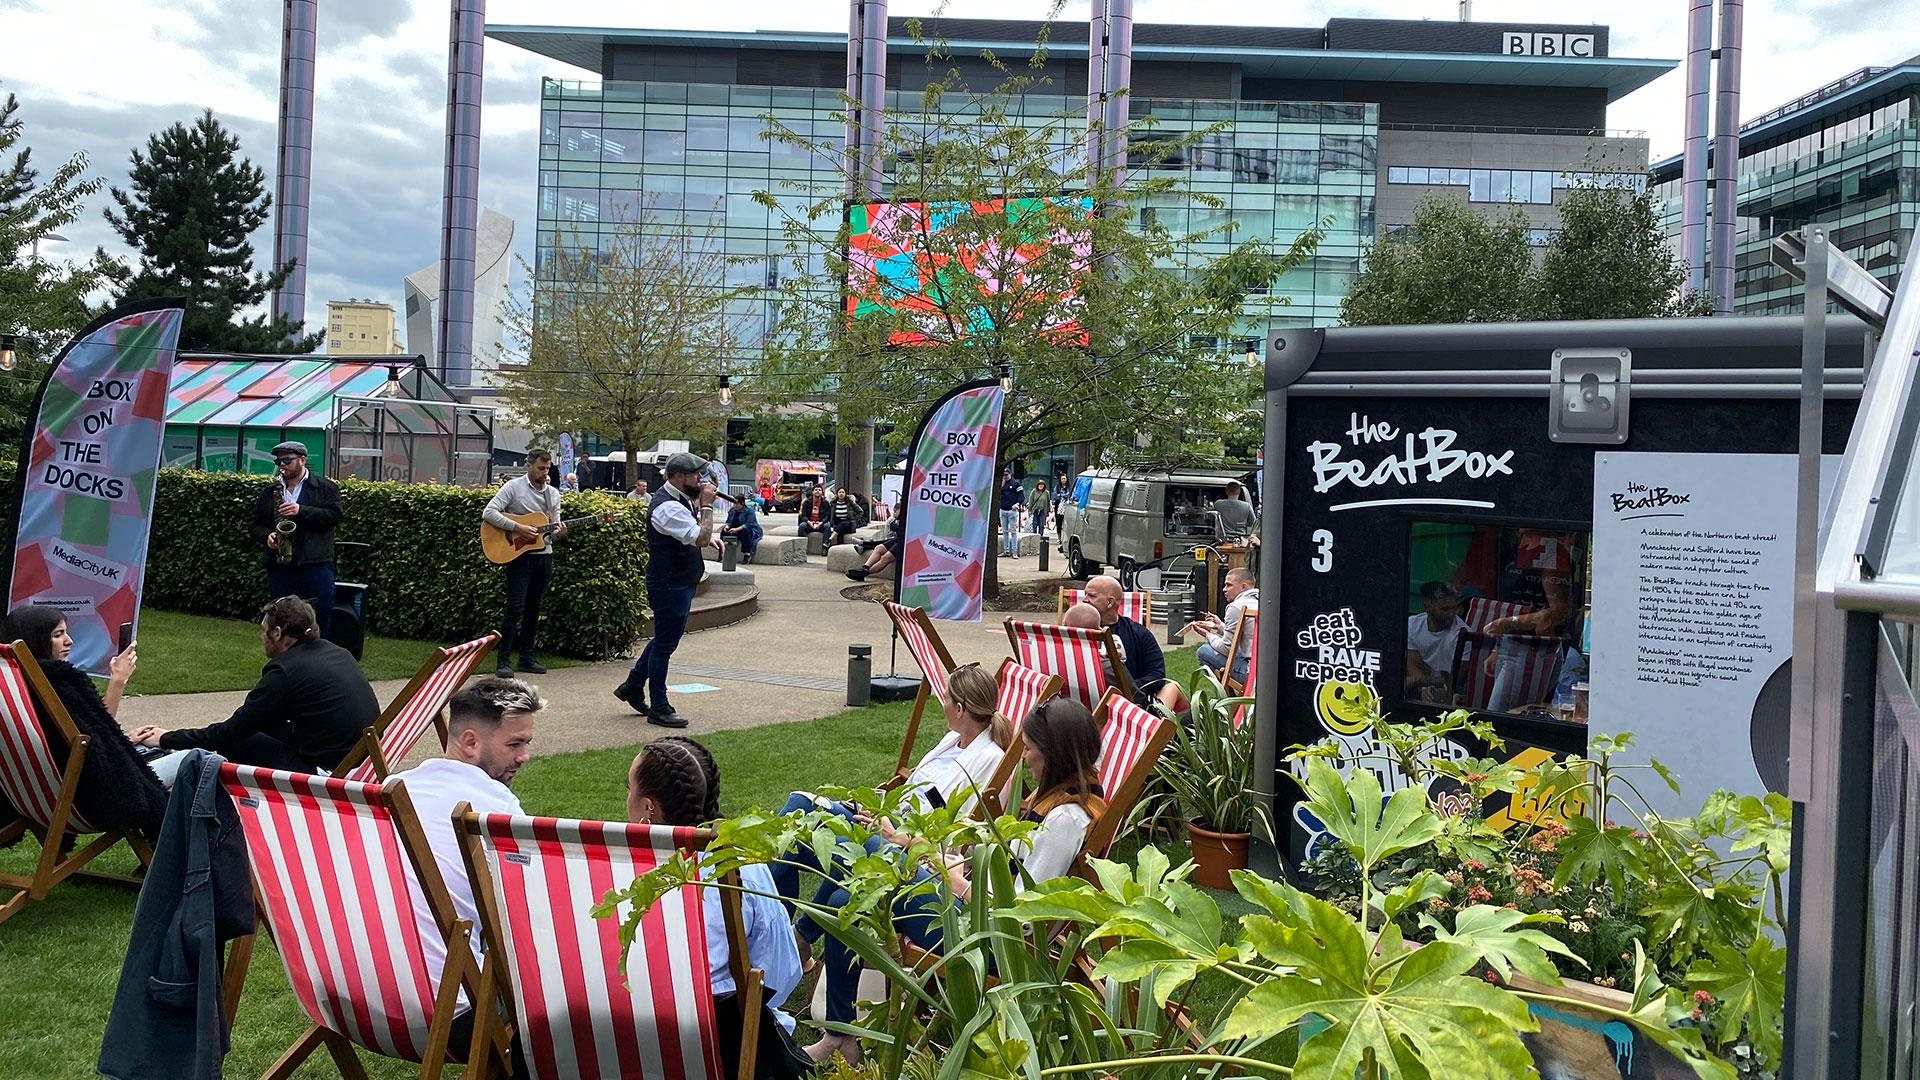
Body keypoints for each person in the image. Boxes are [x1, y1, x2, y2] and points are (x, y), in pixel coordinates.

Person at [803, 697, 1105, 1065]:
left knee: (857, 881)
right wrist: (953, 864)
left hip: (986, 940)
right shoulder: (1066, 799)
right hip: (973, 911)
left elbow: (1024, 919)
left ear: (1053, 753)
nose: (1024, 758)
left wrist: (956, 883)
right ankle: (840, 1034)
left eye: (1029, 749)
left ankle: (831, 1017)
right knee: (848, 895)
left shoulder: (1064, 820)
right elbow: (1011, 872)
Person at [770, 662, 1012, 934]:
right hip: (889, 822)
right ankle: (784, 935)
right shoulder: (952, 740)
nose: (941, 703)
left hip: (908, 847)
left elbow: (959, 839)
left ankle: (762, 918)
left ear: (959, 709)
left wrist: (895, 832)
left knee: (795, 838)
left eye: (945, 697)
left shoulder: (990, 761)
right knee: (798, 806)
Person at [625, 737, 808, 1055]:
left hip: (628, 1039)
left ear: (648, 806)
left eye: (627, 788)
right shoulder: (741, 867)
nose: (626, 796)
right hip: (727, 1046)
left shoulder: (616, 872)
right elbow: (783, 970)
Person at [387, 676, 543, 1024]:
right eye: (515, 744)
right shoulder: (494, 810)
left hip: (352, 994)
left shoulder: (392, 789)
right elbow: (531, 917)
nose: (525, 756)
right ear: (470, 742)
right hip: (445, 1012)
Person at [129, 597, 379, 775]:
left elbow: (229, 733)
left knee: (235, 742)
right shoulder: (337, 653)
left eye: (263, 630)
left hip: (330, 775)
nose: (261, 637)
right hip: (365, 765)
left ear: (278, 633)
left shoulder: (285, 671)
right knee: (256, 728)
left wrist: (166, 738)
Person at [0, 606, 168, 841]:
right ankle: (173, 855)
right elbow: (88, 749)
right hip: (91, 797)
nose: (69, 641)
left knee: (151, 750)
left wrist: (122, 738)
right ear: (34, 639)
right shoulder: (56, 683)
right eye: (58, 635)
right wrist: (118, 683)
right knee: (197, 762)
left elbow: (80, 737)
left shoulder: (12, 687)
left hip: (36, 799)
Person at [614, 452, 716, 728]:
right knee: (664, 645)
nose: (701, 479)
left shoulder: (678, 499)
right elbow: (700, 538)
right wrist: (707, 506)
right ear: (679, 477)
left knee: (664, 639)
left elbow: (696, 534)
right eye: (696, 475)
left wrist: (706, 526)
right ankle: (659, 705)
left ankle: (633, 685)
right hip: (669, 582)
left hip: (677, 579)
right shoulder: (666, 507)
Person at [482, 449, 567, 678]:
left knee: (534, 608)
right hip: (518, 556)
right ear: (528, 465)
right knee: (515, 608)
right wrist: (517, 527)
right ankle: (503, 660)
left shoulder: (553, 494)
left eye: (547, 469)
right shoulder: (513, 487)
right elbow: (489, 512)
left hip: (544, 555)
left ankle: (527, 658)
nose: (544, 473)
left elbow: (553, 526)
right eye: (541, 468)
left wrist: (559, 532)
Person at [253, 440, 342, 641]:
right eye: (278, 461)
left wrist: (301, 510)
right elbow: (256, 525)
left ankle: (319, 657)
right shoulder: (270, 491)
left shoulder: (325, 488)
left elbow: (335, 516)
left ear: (302, 460)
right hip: (280, 565)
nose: (281, 465)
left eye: (286, 460)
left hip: (315, 562)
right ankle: (284, 656)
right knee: (280, 615)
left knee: (321, 612)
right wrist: (267, 535)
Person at [1083, 576, 1165, 694]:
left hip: (1127, 703)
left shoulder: (1139, 633)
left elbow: (1158, 675)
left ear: (1110, 602)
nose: (1084, 600)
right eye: (1085, 594)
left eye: (1091, 596)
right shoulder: (1074, 633)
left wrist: (1128, 689)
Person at [1194, 568, 1260, 685]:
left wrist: (1207, 635)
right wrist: (1220, 626)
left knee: (1203, 651)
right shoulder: (1261, 602)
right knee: (1238, 649)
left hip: (1250, 673)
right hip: (1267, 668)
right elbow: (1241, 635)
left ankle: (1226, 698)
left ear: (1243, 587)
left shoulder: (1235, 607)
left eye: (1228, 585)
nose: (1224, 589)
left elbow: (1227, 648)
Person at [1405, 581, 1467, 702]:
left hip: (1451, 689)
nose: (1451, 614)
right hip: (1421, 684)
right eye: (1445, 609)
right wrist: (1424, 686)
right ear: (1427, 607)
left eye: (1454, 608)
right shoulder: (1412, 625)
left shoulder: (1463, 634)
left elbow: (1459, 678)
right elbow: (1413, 665)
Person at [844, 513, 902, 582]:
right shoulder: (904, 512)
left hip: (906, 542)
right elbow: (892, 525)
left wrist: (898, 526)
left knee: (885, 558)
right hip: (898, 539)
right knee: (878, 548)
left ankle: (863, 573)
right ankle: (865, 567)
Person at [723, 492, 763, 560]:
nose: (735, 506)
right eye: (734, 503)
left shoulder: (749, 511)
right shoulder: (732, 510)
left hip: (749, 530)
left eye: (737, 504)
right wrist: (727, 526)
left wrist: (737, 529)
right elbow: (729, 521)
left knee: (745, 532)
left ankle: (747, 553)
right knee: (723, 532)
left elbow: (749, 524)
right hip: (735, 529)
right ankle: (723, 551)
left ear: (742, 503)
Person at [998, 470, 1022, 557]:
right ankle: (1006, 550)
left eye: (1006, 475)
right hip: (1003, 509)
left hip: (1012, 510)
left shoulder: (1016, 484)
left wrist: (1017, 504)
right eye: (1004, 475)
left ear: (1010, 474)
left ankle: (1014, 551)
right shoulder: (1002, 484)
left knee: (1013, 531)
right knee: (1004, 531)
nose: (1005, 476)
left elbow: (1021, 496)